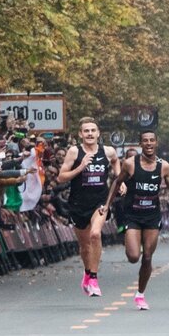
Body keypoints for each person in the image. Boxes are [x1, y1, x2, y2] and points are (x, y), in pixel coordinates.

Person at [112, 130, 169, 310]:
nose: (149, 143)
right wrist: (107, 205)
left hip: (152, 216)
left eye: (152, 140)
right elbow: (116, 182)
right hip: (133, 215)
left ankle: (140, 294)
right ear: (140, 144)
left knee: (148, 257)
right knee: (134, 256)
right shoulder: (129, 164)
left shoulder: (164, 166)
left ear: (156, 143)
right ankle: (129, 242)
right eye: (145, 141)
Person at [56, 117, 120, 298]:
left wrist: (119, 179)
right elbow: (61, 178)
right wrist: (81, 167)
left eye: (93, 130)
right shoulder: (74, 152)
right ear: (80, 134)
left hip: (100, 201)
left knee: (95, 234)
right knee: (84, 246)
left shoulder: (107, 151)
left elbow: (115, 161)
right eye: (86, 131)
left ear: (98, 133)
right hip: (78, 203)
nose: (90, 134)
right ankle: (87, 271)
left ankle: (94, 277)